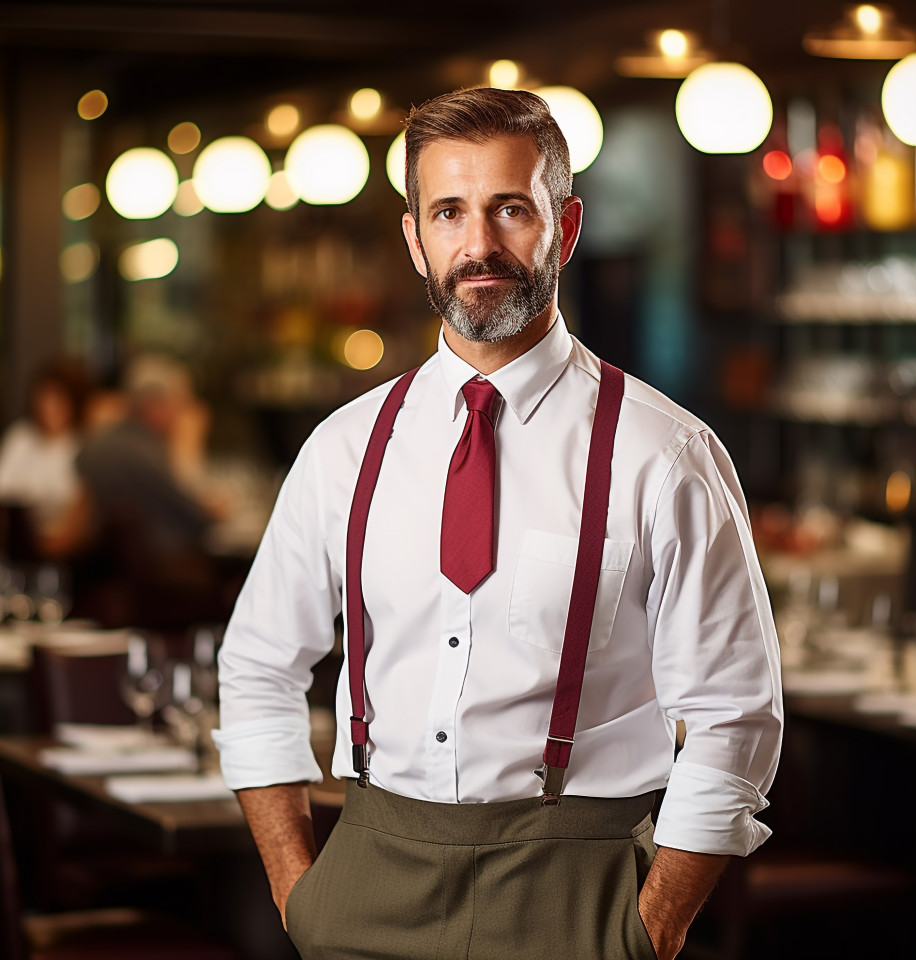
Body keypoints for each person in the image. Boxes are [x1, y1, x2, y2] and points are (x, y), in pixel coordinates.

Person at [215, 88, 782, 960]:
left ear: (567, 224)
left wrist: (650, 928)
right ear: (415, 240)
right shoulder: (345, 448)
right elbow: (256, 667)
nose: (478, 245)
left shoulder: (664, 453)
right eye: (448, 212)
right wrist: (302, 897)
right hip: (365, 883)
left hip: (577, 893)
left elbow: (737, 714)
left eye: (510, 209)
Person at [0, 359, 90, 543]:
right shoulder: (21, 437)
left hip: (58, 543)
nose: (49, 407)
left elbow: (73, 505)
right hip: (14, 537)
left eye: (59, 399)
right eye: (44, 397)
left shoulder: (82, 447)